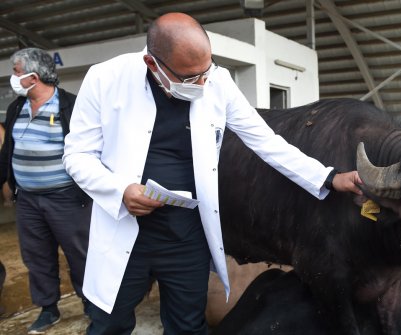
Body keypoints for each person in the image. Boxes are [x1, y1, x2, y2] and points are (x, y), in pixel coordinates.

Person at [62, 12, 362, 335]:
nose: (204, 83)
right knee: (110, 324)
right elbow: (76, 155)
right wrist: (119, 189)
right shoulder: (105, 79)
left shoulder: (217, 82)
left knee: (188, 325)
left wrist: (328, 177)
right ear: (153, 65)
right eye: (191, 78)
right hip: (124, 226)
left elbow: (267, 142)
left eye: (208, 70)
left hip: (186, 232)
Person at [0, 48, 92, 334]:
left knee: (81, 255)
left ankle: (93, 306)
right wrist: (7, 185)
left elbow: (90, 150)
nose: (12, 77)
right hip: (28, 199)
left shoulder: (71, 106)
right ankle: (48, 308)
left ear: (33, 76)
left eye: (16, 71)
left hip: (66, 197)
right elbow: (9, 151)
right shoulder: (17, 107)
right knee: (37, 257)